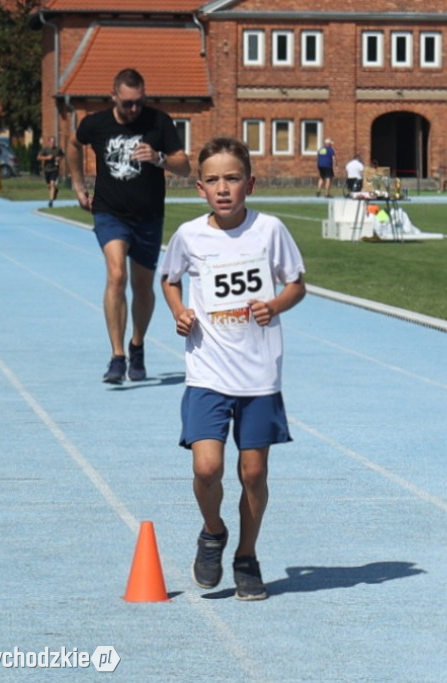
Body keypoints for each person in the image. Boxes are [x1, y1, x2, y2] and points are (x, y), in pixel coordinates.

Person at [159, 136, 307, 600]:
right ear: (199, 188)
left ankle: (246, 555)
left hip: (259, 374)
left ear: (251, 183)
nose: (223, 188)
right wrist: (178, 311)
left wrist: (275, 304)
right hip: (208, 370)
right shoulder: (188, 235)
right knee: (207, 468)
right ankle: (213, 531)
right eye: (213, 180)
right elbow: (170, 280)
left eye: (233, 178)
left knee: (253, 473)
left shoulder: (270, 231)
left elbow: (297, 285)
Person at [67, 68, 191, 384]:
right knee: (116, 275)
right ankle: (117, 356)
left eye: (139, 102)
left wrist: (159, 158)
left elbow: (185, 166)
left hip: (148, 215)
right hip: (110, 212)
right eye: (127, 103)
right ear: (114, 98)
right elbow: (73, 144)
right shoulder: (95, 124)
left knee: (142, 285)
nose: (134, 109)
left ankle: (137, 345)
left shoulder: (158, 122)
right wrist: (79, 185)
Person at [36, 136, 64, 208]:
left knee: (52, 184)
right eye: (51, 142)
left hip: (54, 169)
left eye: (54, 142)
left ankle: (51, 201)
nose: (53, 143)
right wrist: (46, 158)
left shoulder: (57, 149)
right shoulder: (45, 149)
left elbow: (63, 156)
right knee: (49, 185)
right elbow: (38, 157)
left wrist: (59, 158)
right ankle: (55, 191)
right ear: (49, 142)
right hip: (47, 170)